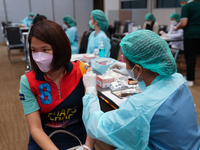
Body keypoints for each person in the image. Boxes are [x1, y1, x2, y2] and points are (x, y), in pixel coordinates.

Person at [82, 30, 200, 149]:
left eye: (125, 61)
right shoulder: (178, 79)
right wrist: (129, 71)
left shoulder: (140, 106)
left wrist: (90, 90)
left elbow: (97, 125)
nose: (125, 65)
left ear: (138, 69)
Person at [19, 20, 95, 150]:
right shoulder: (28, 81)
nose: (38, 56)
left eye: (45, 49)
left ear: (60, 48)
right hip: (45, 140)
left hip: (79, 138)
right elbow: (35, 128)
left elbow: (93, 115)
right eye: (34, 50)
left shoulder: (83, 70)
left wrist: (88, 146)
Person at [174, 0, 200, 86]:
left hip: (191, 36)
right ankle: (190, 76)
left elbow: (184, 23)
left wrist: (176, 28)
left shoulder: (186, 7)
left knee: (190, 58)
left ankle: (190, 79)